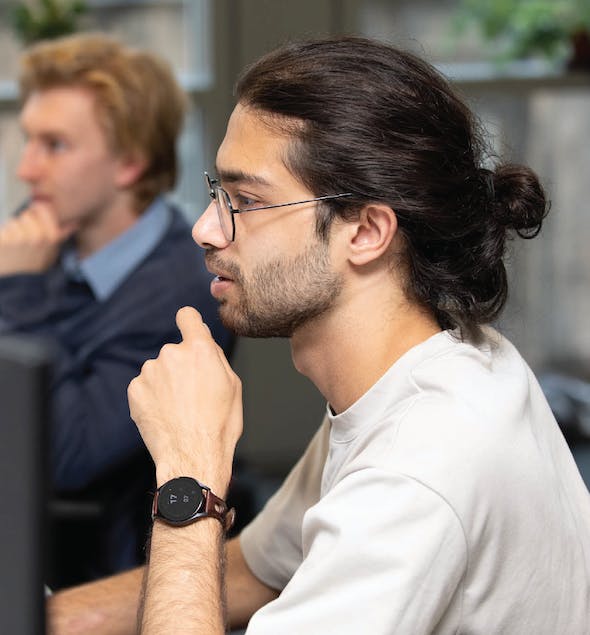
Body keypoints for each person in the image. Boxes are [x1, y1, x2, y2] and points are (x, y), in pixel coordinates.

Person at [48, 36, 590, 634]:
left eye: (246, 200)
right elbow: (256, 569)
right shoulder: (432, 364)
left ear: (365, 232)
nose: (205, 229)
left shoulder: (420, 468)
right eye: (216, 194)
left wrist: (187, 472)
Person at [0, 33, 232, 584]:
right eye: (29, 142)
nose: (27, 170)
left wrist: (20, 293)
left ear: (129, 162)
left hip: (95, 577)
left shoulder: (185, 290)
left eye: (54, 145)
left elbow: (68, 458)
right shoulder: (46, 234)